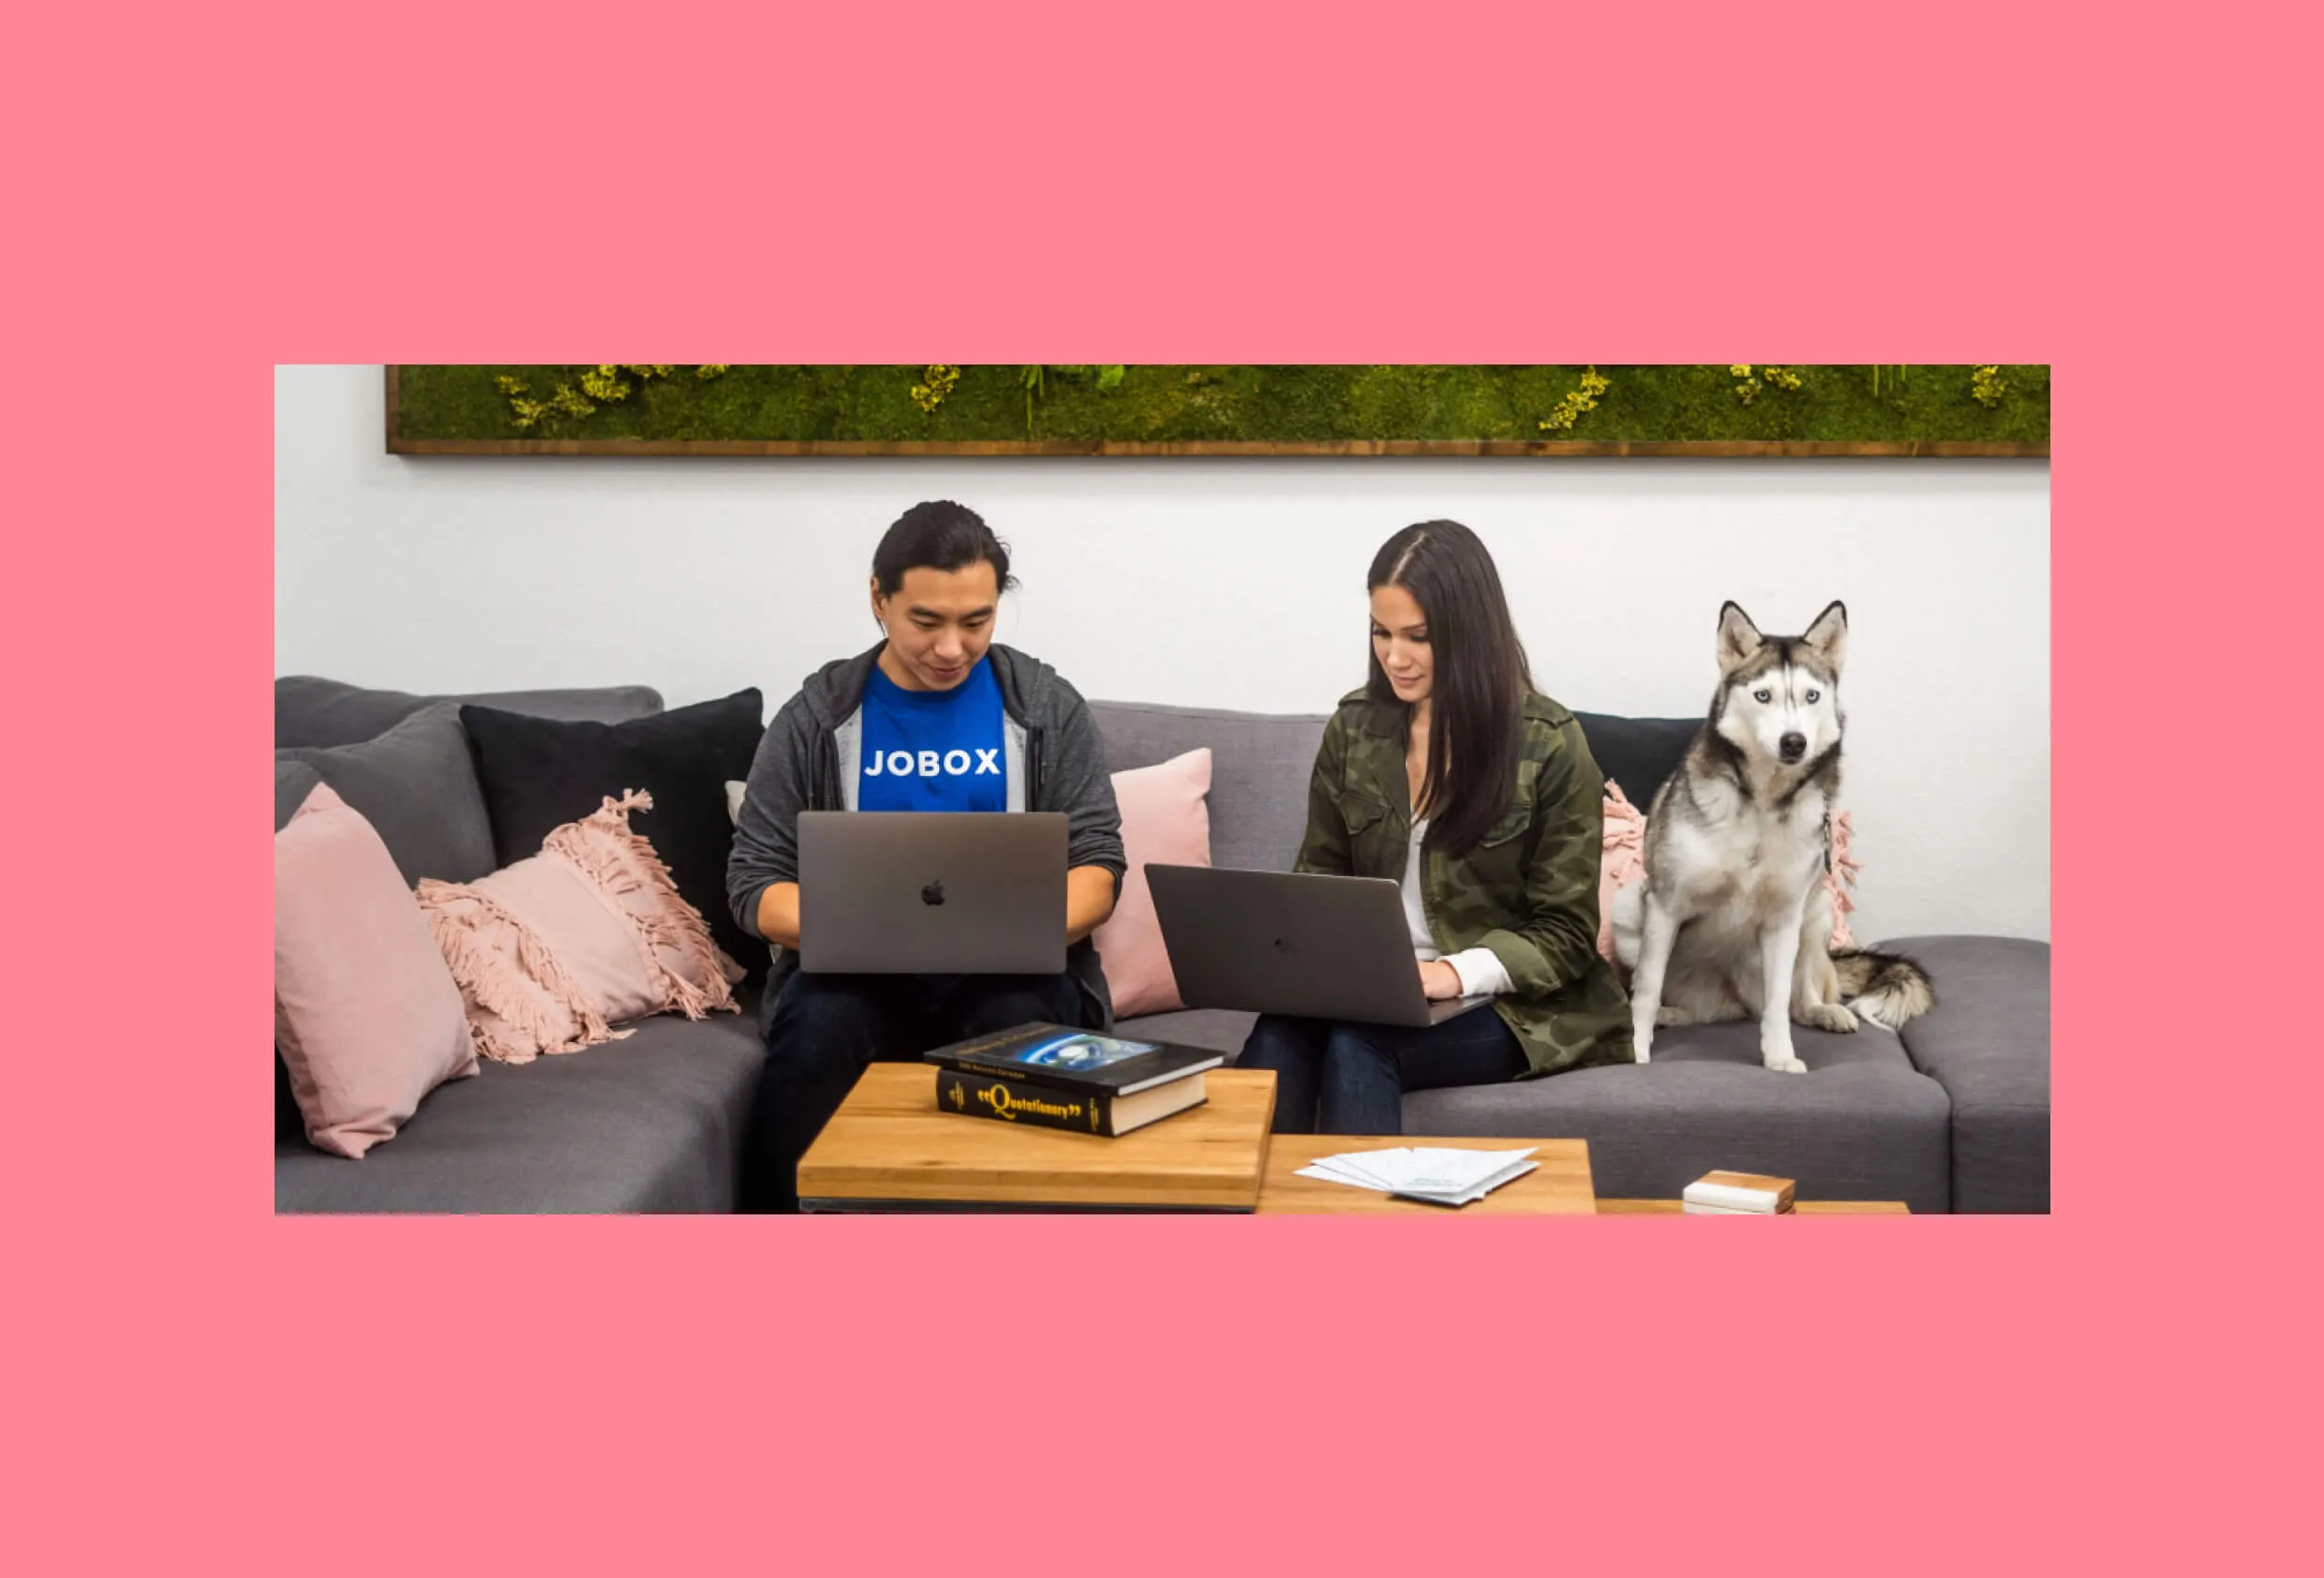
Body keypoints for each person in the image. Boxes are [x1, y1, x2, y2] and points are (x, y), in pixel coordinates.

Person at [727, 500, 1125, 1211]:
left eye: (976, 622)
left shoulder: (1044, 705)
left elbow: (1097, 865)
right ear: (879, 598)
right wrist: (864, 931)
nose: (952, 648)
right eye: (926, 622)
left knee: (1023, 1021)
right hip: (855, 981)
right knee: (819, 1027)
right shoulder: (818, 716)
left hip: (1010, 974)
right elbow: (755, 884)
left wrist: (1012, 930)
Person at [1239, 519, 1632, 1134]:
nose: (1395, 657)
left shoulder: (1549, 745)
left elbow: (1565, 933)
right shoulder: (1355, 731)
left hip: (1510, 1003)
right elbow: (1318, 880)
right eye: (1381, 632)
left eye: (1418, 637)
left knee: (1358, 1045)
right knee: (1275, 1042)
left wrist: (1451, 973)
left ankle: (1357, 1231)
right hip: (1374, 987)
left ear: (1469, 634)